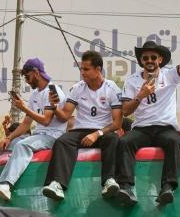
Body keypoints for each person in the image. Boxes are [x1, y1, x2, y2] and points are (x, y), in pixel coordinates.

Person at [116, 26, 180, 206]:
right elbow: (125, 111)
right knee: (124, 142)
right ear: (141, 61)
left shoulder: (170, 75)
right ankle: (126, 187)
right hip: (142, 128)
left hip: (165, 127)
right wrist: (140, 95)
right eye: (145, 58)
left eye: (153, 57)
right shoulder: (132, 80)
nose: (149, 60)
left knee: (174, 141)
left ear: (160, 60)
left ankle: (167, 188)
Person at [41, 51, 121, 202]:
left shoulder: (112, 88)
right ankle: (57, 184)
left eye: (86, 69)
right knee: (62, 141)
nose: (82, 72)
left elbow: (117, 123)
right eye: (81, 69)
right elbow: (65, 116)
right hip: (80, 131)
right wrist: (54, 106)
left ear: (98, 69)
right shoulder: (78, 88)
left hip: (102, 131)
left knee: (113, 139)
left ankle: (109, 181)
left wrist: (97, 134)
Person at [0, 58, 69, 202]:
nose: (26, 81)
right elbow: (26, 124)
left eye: (27, 76)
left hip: (52, 136)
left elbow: (46, 120)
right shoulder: (35, 95)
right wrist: (8, 138)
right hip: (38, 136)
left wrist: (24, 107)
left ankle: (6, 184)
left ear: (36, 72)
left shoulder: (52, 91)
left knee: (22, 145)